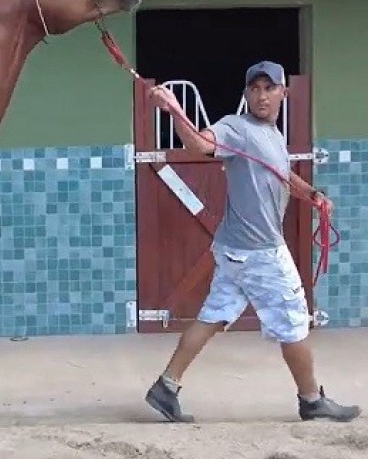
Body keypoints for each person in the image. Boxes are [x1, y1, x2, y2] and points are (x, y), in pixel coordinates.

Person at [144, 60, 360, 423]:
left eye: (269, 88)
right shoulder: (236, 128)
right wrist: (175, 111)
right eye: (255, 88)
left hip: (233, 250)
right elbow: (199, 145)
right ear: (247, 93)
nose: (262, 95)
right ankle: (311, 400)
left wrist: (313, 194)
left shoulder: (272, 135)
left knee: (213, 316)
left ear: (282, 93)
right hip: (259, 253)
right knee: (294, 321)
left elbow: (282, 174)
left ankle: (166, 387)